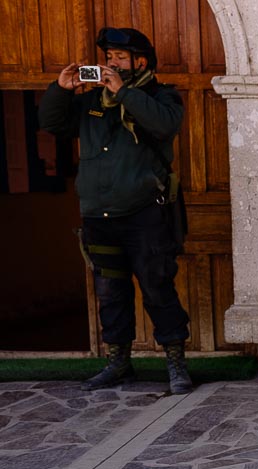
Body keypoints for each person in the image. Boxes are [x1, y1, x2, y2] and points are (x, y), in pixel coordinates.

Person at [38, 27, 193, 394]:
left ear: (140, 61)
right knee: (110, 293)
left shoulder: (160, 96)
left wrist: (123, 92)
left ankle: (176, 363)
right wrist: (61, 89)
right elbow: (52, 123)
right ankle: (119, 363)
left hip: (144, 215)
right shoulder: (90, 102)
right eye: (108, 58)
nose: (110, 63)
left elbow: (165, 124)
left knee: (158, 289)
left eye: (119, 58)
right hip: (98, 216)